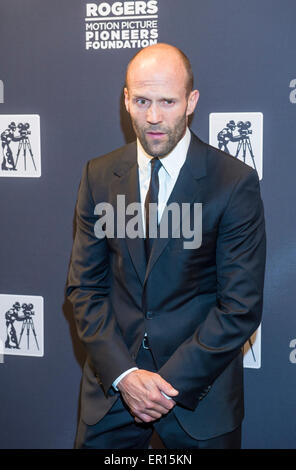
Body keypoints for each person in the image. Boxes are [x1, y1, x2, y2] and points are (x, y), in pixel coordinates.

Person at [66, 43, 266, 449]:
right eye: (141, 101)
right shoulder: (99, 175)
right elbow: (84, 289)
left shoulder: (233, 182)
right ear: (126, 99)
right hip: (112, 391)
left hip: (199, 398)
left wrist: (161, 388)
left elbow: (239, 306)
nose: (153, 117)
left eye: (167, 102)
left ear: (191, 101)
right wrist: (125, 377)